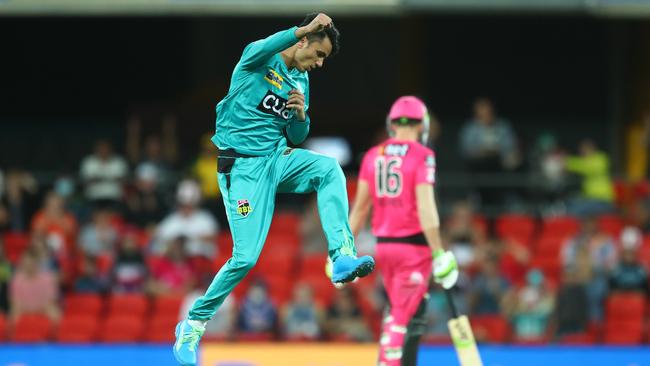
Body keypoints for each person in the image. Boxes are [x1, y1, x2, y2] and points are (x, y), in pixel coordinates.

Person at [173, 13, 375, 365]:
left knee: (329, 169)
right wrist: (305, 28)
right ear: (303, 41)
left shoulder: (301, 82)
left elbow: (296, 137)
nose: (320, 63)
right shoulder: (258, 59)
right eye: (318, 54)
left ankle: (341, 255)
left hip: (276, 159)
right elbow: (266, 45)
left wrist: (300, 118)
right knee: (246, 257)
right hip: (242, 168)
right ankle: (192, 325)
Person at [348, 96, 459, 366]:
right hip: (414, 249)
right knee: (399, 320)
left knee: (402, 312)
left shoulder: (374, 155)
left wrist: (342, 250)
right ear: (423, 125)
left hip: (384, 248)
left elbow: (360, 210)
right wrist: (439, 252)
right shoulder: (423, 156)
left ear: (391, 124)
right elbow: (426, 208)